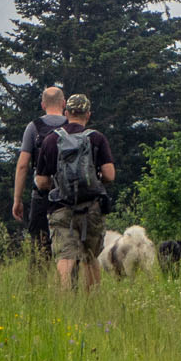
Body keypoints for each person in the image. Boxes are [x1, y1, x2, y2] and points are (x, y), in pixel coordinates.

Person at [32, 93, 115, 290]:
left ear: (67, 113)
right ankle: (92, 301)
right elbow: (110, 175)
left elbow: (42, 181)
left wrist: (55, 185)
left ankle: (64, 302)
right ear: (88, 114)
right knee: (91, 256)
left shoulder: (51, 140)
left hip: (61, 208)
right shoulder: (97, 138)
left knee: (65, 257)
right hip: (91, 208)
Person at [9, 85, 67, 259]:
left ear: (43, 105)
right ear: (63, 103)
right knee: (69, 249)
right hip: (70, 196)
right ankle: (71, 286)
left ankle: (38, 286)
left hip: (42, 195)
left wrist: (17, 200)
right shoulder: (72, 127)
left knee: (39, 249)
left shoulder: (33, 127)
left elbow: (22, 165)